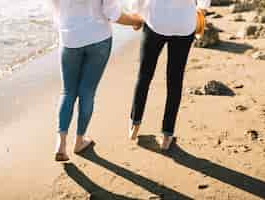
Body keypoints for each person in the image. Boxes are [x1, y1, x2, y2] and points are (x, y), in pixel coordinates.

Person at [52, 0, 143, 161]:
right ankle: (79, 141)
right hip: (98, 39)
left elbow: (55, 9)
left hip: (70, 39)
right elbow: (112, 13)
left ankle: (61, 143)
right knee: (87, 93)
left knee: (68, 92)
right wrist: (136, 21)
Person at [129, 0, 211, 150]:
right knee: (175, 80)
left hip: (156, 20)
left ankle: (135, 125)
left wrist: (136, 13)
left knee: (144, 75)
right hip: (184, 24)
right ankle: (167, 136)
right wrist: (202, 9)